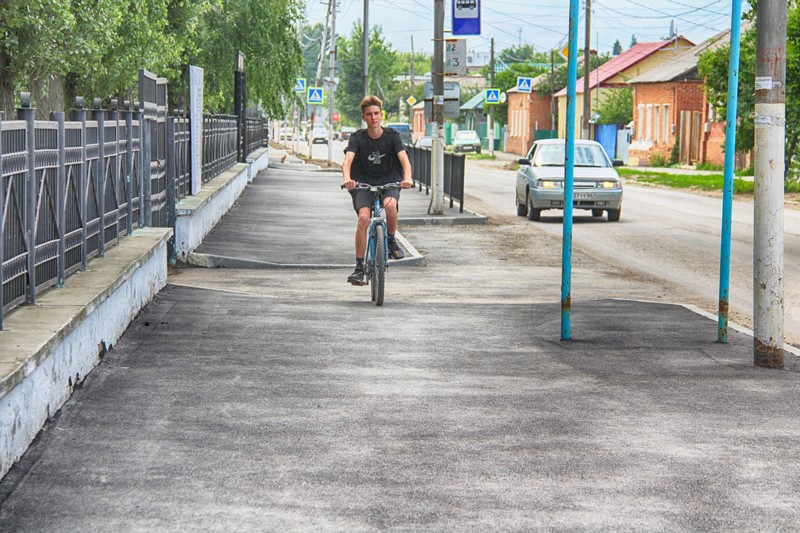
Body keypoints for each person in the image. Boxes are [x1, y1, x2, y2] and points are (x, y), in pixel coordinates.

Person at [342, 95, 413, 286]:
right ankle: (359, 267)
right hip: (362, 183)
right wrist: (347, 179)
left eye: (376, 114)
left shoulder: (392, 137)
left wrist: (407, 178)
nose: (373, 118)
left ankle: (390, 240)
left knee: (390, 207)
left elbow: (404, 160)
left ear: (381, 115)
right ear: (364, 117)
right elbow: (348, 161)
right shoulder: (357, 137)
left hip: (389, 181)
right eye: (369, 115)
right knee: (364, 218)